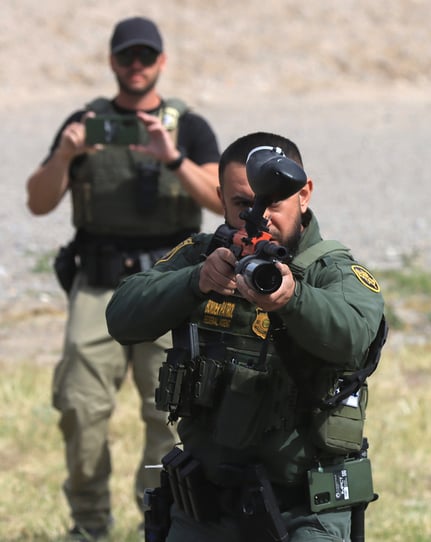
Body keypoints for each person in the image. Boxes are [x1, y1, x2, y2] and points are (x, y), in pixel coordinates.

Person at [105, 131, 387, 541]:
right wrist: (195, 281)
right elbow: (122, 316)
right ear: (221, 198)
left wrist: (293, 298)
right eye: (243, 204)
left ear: (304, 194)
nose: (261, 217)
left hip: (304, 508)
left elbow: (355, 336)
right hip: (206, 505)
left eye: (273, 203)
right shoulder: (202, 255)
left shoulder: (332, 271)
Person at [25, 16, 221, 540]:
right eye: (126, 56)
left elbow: (224, 199)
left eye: (146, 56)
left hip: (169, 282)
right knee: (80, 406)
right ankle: (88, 523)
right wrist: (67, 154)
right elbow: (38, 202)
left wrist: (173, 157)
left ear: (161, 62)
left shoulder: (189, 127)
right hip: (99, 282)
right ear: (112, 62)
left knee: (170, 411)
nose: (136, 66)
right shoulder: (85, 122)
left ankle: (159, 522)